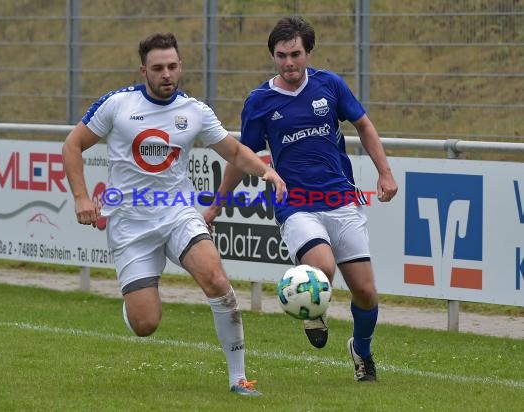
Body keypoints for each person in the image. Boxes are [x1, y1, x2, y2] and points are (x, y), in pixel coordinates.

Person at [62, 32, 286, 396]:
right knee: (145, 323)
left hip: (178, 214)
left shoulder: (194, 112)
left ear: (180, 66)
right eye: (157, 68)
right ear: (143, 71)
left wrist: (266, 171)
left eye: (172, 66)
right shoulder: (117, 105)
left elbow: (233, 150)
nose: (166, 74)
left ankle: (239, 379)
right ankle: (134, 302)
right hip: (130, 224)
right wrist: (81, 198)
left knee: (216, 279)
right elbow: (73, 145)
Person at [203, 16, 398, 382]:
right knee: (321, 267)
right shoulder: (261, 101)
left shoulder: (330, 85)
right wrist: (217, 203)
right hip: (296, 204)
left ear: (308, 52)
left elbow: (364, 126)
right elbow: (242, 155)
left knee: (366, 293)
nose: (288, 63)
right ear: (273, 56)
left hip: (341, 199)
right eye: (281, 56)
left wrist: (384, 172)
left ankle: (361, 351)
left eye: (295, 54)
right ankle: (312, 310)